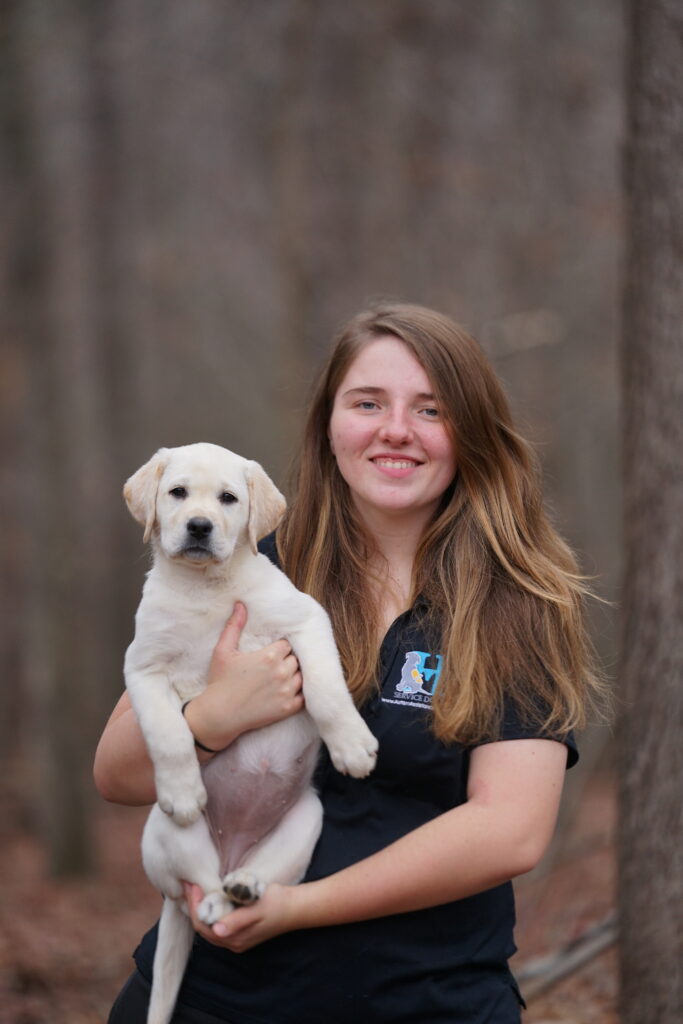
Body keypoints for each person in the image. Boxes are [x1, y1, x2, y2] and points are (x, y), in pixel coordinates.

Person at [95, 302, 606, 1023]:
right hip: (213, 1001)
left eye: (430, 409)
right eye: (367, 403)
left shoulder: (519, 600)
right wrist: (211, 717)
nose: (395, 429)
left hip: (427, 999)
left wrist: (298, 907)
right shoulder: (247, 563)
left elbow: (509, 830)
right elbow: (116, 775)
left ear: (470, 432)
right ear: (328, 424)